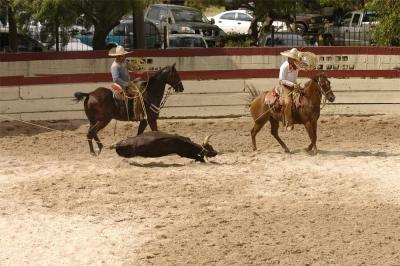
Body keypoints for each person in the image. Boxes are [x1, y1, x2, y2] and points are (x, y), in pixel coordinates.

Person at [109, 45, 143, 120]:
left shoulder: (124, 62)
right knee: (137, 93)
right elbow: (115, 79)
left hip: (128, 83)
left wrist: (138, 68)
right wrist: (126, 84)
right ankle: (135, 114)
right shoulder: (115, 66)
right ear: (118, 56)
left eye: (124, 55)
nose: (124, 57)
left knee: (141, 87)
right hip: (120, 85)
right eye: (122, 55)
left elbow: (130, 67)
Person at [279, 48, 302, 131]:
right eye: (292, 58)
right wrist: (292, 84)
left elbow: (304, 65)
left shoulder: (296, 66)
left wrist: (295, 84)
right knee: (288, 103)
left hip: (294, 85)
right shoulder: (284, 66)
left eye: (294, 58)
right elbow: (281, 80)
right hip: (285, 86)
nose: (293, 59)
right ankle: (289, 122)